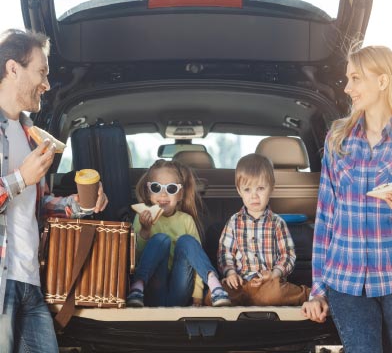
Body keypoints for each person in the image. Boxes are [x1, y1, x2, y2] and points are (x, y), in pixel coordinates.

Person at [0, 29, 108, 353]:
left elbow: (39, 204)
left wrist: (80, 205)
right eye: (42, 72)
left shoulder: (30, 132)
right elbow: (22, 184)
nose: (47, 84)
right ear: (13, 69)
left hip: (30, 283)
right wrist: (21, 178)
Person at [301, 45, 392, 353]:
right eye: (346, 79)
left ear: (382, 81)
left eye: (355, 78)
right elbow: (326, 218)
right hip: (346, 281)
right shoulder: (337, 138)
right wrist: (318, 290)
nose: (347, 87)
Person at [126, 159, 231, 307]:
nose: (163, 194)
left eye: (171, 188)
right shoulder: (142, 216)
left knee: (187, 241)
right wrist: (145, 231)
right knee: (160, 239)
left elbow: (196, 260)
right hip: (150, 290)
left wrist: (197, 295)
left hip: (180, 290)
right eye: (156, 187)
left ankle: (215, 286)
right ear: (148, 191)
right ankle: (137, 287)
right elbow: (135, 258)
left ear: (180, 194)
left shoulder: (186, 220)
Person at [215, 153, 310, 306]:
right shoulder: (233, 222)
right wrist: (231, 273)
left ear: (271, 188)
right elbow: (225, 253)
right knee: (214, 296)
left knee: (275, 294)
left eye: (260, 188)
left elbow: (288, 255)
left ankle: (309, 294)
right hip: (241, 284)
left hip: (268, 283)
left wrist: (275, 274)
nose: (254, 196)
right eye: (247, 190)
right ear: (239, 191)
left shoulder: (277, 223)